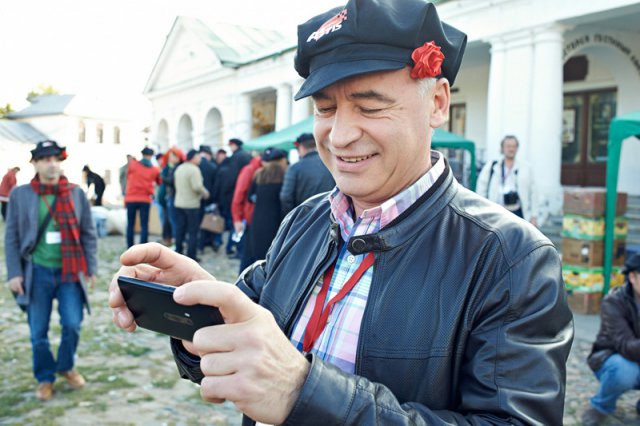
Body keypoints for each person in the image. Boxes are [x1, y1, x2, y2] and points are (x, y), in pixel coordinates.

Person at [109, 1, 573, 424]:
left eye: (369, 107)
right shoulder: (306, 220)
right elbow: (249, 336)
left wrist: (302, 392)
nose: (339, 135)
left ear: (437, 103)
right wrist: (199, 306)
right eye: (325, 108)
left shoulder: (510, 258)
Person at [5, 140, 97, 401]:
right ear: (34, 163)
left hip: (70, 272)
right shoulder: (20, 195)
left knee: (72, 324)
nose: (52, 164)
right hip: (37, 272)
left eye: (56, 159)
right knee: (38, 332)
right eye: (46, 159)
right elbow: (11, 237)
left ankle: (66, 366)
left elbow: (88, 233)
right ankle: (45, 378)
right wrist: (14, 273)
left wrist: (91, 267)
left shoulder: (76, 193)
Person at [581, 253, 640, 426]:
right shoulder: (613, 302)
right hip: (612, 359)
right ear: (632, 277)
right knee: (625, 371)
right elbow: (626, 346)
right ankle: (600, 407)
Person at [476, 135, 538, 225]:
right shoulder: (492, 166)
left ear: (517, 148)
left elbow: (534, 193)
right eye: (508, 146)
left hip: (519, 213)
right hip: (496, 214)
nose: (511, 149)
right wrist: (482, 212)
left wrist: (534, 216)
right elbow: (481, 190)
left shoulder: (526, 168)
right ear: (502, 148)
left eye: (514, 146)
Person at [246, 147, 288, 267]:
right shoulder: (285, 175)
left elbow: (250, 197)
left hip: (258, 220)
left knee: (258, 258)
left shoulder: (259, 174)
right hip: (278, 221)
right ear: (282, 160)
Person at [280, 133, 335, 215]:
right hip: (329, 214)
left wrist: (293, 216)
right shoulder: (330, 163)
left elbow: (286, 197)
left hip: (303, 215)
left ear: (301, 148)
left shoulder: (294, 168)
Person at [174, 149, 209, 260]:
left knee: (180, 229)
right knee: (192, 231)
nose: (200, 160)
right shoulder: (194, 169)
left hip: (179, 203)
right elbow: (197, 186)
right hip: (191, 205)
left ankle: (178, 252)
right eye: (198, 157)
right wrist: (205, 193)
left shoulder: (179, 168)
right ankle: (191, 256)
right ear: (193, 157)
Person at [124, 147, 161, 248]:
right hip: (145, 199)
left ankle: (130, 247)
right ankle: (143, 248)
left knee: (130, 224)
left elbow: (128, 177)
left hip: (131, 198)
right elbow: (159, 181)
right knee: (144, 224)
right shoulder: (154, 169)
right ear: (151, 156)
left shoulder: (133, 165)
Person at [230, 154, 263, 266]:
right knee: (247, 254)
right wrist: (237, 219)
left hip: (258, 217)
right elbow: (239, 195)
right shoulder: (250, 170)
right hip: (249, 218)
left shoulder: (260, 169)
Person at [159, 147, 185, 246]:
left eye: (172, 157)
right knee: (169, 221)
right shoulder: (171, 167)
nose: (170, 159)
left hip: (174, 198)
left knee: (174, 221)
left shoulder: (177, 168)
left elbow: (171, 182)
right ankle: (171, 240)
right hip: (170, 198)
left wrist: (162, 177)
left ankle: (176, 242)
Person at [197, 145, 219, 252]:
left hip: (196, 199)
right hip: (209, 198)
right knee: (210, 221)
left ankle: (200, 245)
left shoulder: (196, 165)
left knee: (198, 223)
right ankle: (210, 242)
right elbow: (216, 185)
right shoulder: (213, 166)